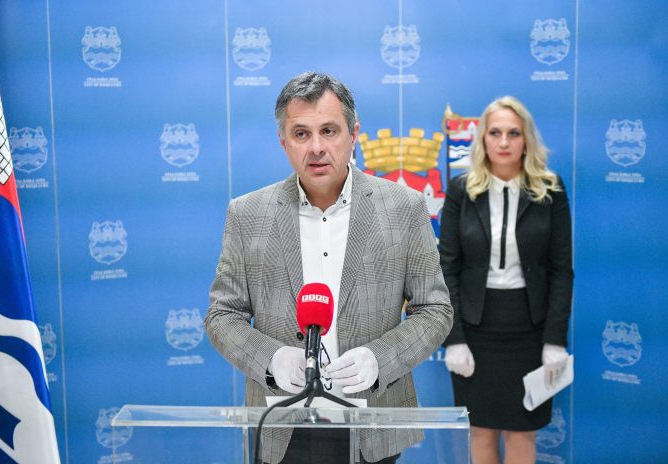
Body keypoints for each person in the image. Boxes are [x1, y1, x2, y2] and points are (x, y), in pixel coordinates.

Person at [204, 71, 453, 464]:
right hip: (281, 423)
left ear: (354, 134)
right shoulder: (248, 214)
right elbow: (222, 315)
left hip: (373, 421)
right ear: (283, 141)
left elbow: (435, 310)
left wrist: (380, 359)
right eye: (301, 134)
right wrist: (270, 359)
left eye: (329, 131)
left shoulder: (404, 208)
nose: (316, 147)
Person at [438, 96, 573, 464]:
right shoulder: (462, 190)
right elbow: (447, 268)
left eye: (513, 133)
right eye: (494, 133)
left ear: (526, 139)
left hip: (530, 330)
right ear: (482, 138)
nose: (503, 142)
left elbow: (561, 271)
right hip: (475, 329)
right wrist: (454, 339)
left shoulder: (550, 190)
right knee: (480, 432)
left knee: (522, 433)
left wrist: (554, 341)